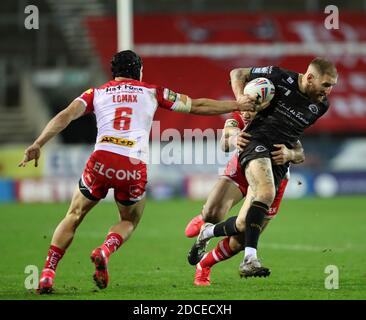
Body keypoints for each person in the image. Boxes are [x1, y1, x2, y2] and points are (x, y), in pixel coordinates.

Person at [18, 50, 257, 294]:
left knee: (74, 215)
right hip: (131, 165)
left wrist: (38, 143)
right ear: (139, 70)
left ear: (114, 72)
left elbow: (65, 115)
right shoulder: (152, 91)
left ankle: (47, 273)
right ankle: (105, 250)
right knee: (129, 219)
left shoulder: (95, 93)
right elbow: (198, 105)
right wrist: (237, 104)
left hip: (101, 159)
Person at [187, 57, 338, 279]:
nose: (329, 91)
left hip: (277, 163)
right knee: (219, 210)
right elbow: (237, 74)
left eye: (332, 85)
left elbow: (296, 144)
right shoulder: (274, 81)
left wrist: (290, 154)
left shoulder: (320, 106)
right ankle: (249, 259)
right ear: (310, 77)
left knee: (242, 226)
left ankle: (207, 237)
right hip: (254, 146)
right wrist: (238, 113)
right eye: (326, 84)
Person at [185, 110, 305, 285]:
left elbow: (300, 153)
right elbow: (224, 143)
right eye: (244, 107)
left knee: (241, 235)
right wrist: (233, 138)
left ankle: (204, 263)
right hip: (244, 167)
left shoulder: (281, 118)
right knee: (213, 213)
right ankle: (204, 219)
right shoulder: (238, 115)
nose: (246, 113)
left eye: (253, 107)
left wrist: (290, 154)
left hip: (275, 178)